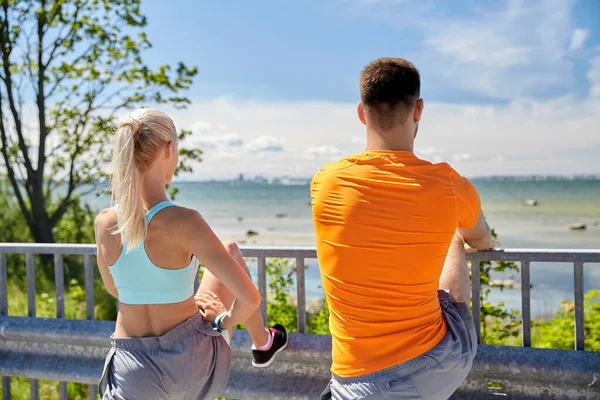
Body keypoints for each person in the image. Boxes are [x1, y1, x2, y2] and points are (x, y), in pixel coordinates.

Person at [311, 58, 499, 400]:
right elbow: (483, 238)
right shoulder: (449, 184)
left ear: (361, 112)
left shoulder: (326, 182)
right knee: (454, 243)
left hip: (354, 378)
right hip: (433, 366)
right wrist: (458, 236)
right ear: (418, 110)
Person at [94, 108, 288, 400]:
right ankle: (262, 343)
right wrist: (221, 319)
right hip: (190, 360)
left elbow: (115, 288)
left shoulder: (105, 222)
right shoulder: (185, 221)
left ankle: (263, 343)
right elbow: (250, 299)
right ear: (169, 149)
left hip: (133, 368)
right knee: (230, 249)